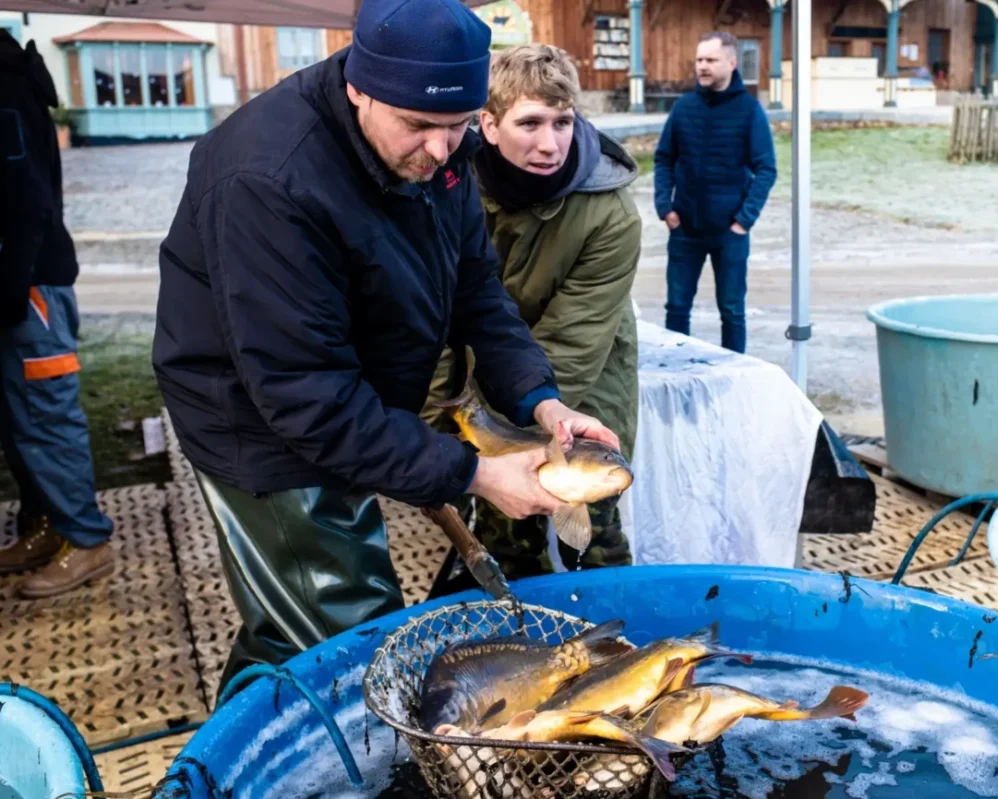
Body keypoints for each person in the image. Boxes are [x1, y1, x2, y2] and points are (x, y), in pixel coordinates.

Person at [151, 0, 620, 690]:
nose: (441, 149)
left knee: (291, 629)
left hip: (346, 396)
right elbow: (306, 395)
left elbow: (477, 294)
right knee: (349, 627)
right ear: (359, 88)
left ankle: (237, 754)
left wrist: (542, 401)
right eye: (419, 126)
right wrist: (476, 473)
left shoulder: (447, 151)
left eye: (460, 126)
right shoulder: (268, 177)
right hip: (261, 423)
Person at [425, 43, 640, 589]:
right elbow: (432, 311)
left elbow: (573, 344)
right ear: (488, 124)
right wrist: (437, 419)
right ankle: (518, 626)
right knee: (504, 529)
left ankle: (617, 631)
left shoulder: (611, 215)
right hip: (477, 382)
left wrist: (511, 437)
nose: (550, 143)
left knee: (594, 526)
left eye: (563, 122)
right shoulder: (444, 186)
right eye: (530, 123)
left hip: (578, 393)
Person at [0, 31, 116, 598]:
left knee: (47, 419)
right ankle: (45, 526)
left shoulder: (5, 89)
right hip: (18, 285)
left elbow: (25, 202)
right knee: (20, 420)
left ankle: (88, 542)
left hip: (27, 288)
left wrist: (9, 290)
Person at [653, 31, 777, 354]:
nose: (702, 67)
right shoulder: (683, 108)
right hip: (685, 229)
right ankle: (676, 373)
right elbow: (664, 158)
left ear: (732, 63)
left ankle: (734, 378)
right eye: (699, 60)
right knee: (677, 308)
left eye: (711, 60)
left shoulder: (749, 111)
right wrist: (665, 207)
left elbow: (767, 169)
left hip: (729, 232)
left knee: (732, 312)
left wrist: (744, 222)